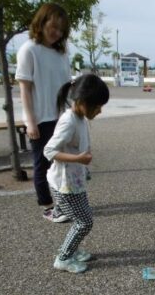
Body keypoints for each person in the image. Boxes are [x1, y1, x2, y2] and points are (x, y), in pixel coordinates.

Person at [43, 74, 110, 273]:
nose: (100, 111)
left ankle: (72, 249)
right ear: (81, 102)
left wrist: (83, 168)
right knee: (84, 221)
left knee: (82, 219)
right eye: (97, 105)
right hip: (64, 185)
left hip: (74, 182)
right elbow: (49, 151)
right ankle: (63, 257)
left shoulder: (79, 117)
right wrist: (79, 160)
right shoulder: (69, 121)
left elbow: (76, 146)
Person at [15, 3, 72, 223]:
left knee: (63, 163)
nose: (57, 32)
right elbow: (25, 89)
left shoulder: (62, 53)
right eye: (54, 26)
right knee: (43, 163)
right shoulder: (29, 49)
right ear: (42, 22)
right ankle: (47, 206)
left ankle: (64, 201)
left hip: (61, 117)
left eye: (61, 29)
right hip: (40, 118)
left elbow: (67, 87)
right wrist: (31, 122)